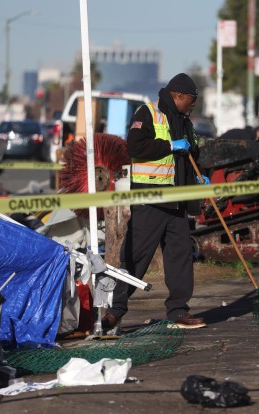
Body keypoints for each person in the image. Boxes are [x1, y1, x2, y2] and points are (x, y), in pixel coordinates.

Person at [102, 73, 209, 331]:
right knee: (137, 257)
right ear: (178, 96)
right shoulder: (147, 113)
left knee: (180, 257)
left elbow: (191, 153)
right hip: (151, 200)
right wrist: (171, 146)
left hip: (176, 202)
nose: (193, 105)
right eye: (191, 100)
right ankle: (114, 311)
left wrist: (199, 175)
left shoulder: (184, 122)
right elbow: (136, 148)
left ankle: (178, 311)